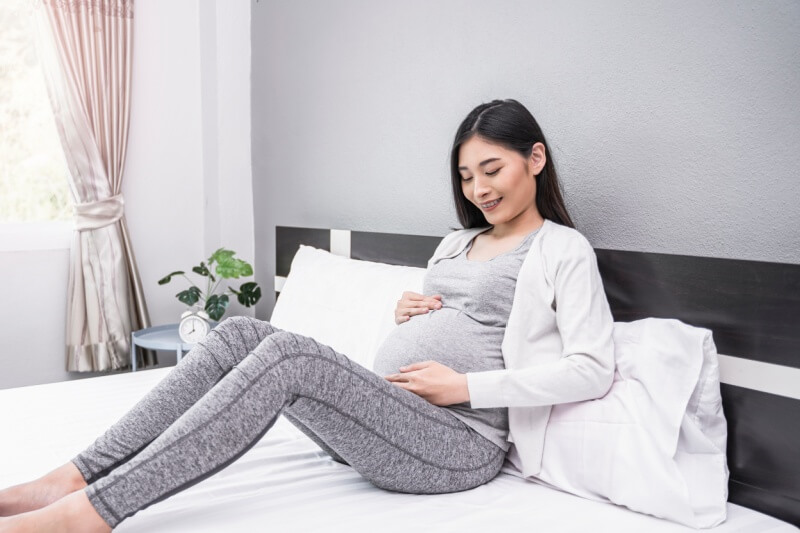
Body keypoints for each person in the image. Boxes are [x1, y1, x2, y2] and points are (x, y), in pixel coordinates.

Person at [0, 98, 615, 532]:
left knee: (287, 356)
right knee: (241, 331)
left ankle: (94, 512)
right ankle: (75, 475)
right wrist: (405, 316)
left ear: (534, 158)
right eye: (466, 175)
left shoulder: (562, 249)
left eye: (492, 169)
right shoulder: (456, 243)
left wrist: (465, 385)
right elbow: (439, 331)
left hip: (460, 444)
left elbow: (590, 368)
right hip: (391, 421)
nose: (479, 189)